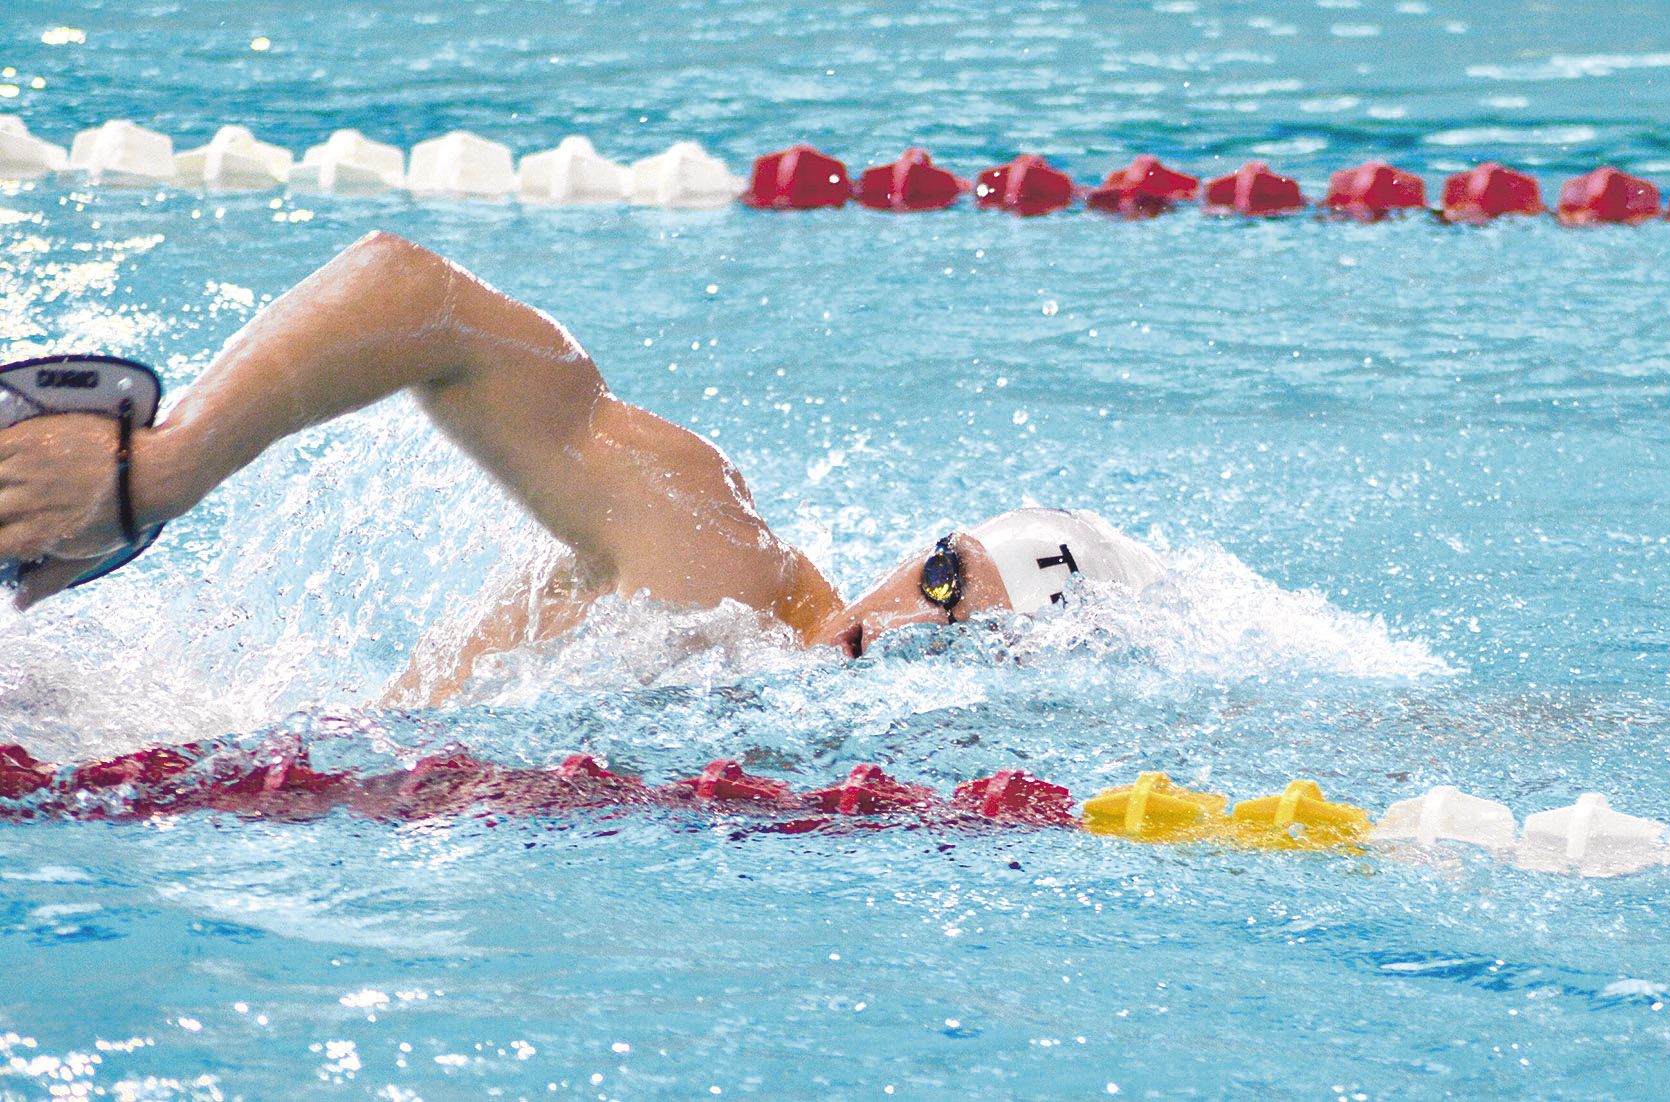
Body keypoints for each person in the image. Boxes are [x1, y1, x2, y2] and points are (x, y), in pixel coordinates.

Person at [0, 232, 1162, 700]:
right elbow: (413, 294)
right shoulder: (726, 566)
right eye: (946, 580)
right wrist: (164, 472)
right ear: (920, 547)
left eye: (981, 646)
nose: (911, 627)